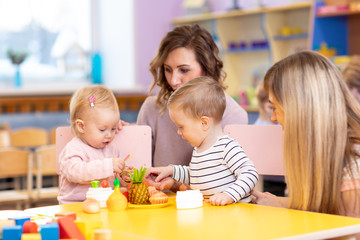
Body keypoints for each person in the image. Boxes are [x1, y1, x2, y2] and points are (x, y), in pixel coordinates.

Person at [137, 24, 248, 191]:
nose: (173, 80)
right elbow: (138, 172)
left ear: (207, 69)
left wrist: (176, 184)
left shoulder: (232, 115)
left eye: (184, 70)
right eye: (168, 70)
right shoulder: (152, 108)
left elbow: (231, 182)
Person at [251, 51, 360, 220]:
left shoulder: (354, 169)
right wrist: (278, 203)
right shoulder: (328, 148)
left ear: (299, 110)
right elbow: (324, 208)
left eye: (275, 108)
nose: (273, 118)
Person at [146, 77, 258, 206]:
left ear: (204, 123)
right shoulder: (200, 150)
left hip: (237, 215)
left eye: (181, 126)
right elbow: (196, 175)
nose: (178, 132)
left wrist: (229, 195)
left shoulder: (226, 147)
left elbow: (250, 173)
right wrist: (170, 170)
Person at [58, 85, 128, 204]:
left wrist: (122, 177)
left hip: (104, 204)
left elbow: (112, 179)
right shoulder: (74, 148)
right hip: (75, 206)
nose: (109, 135)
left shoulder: (111, 149)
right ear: (81, 126)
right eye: (102, 129)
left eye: (113, 128)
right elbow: (75, 173)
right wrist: (109, 166)